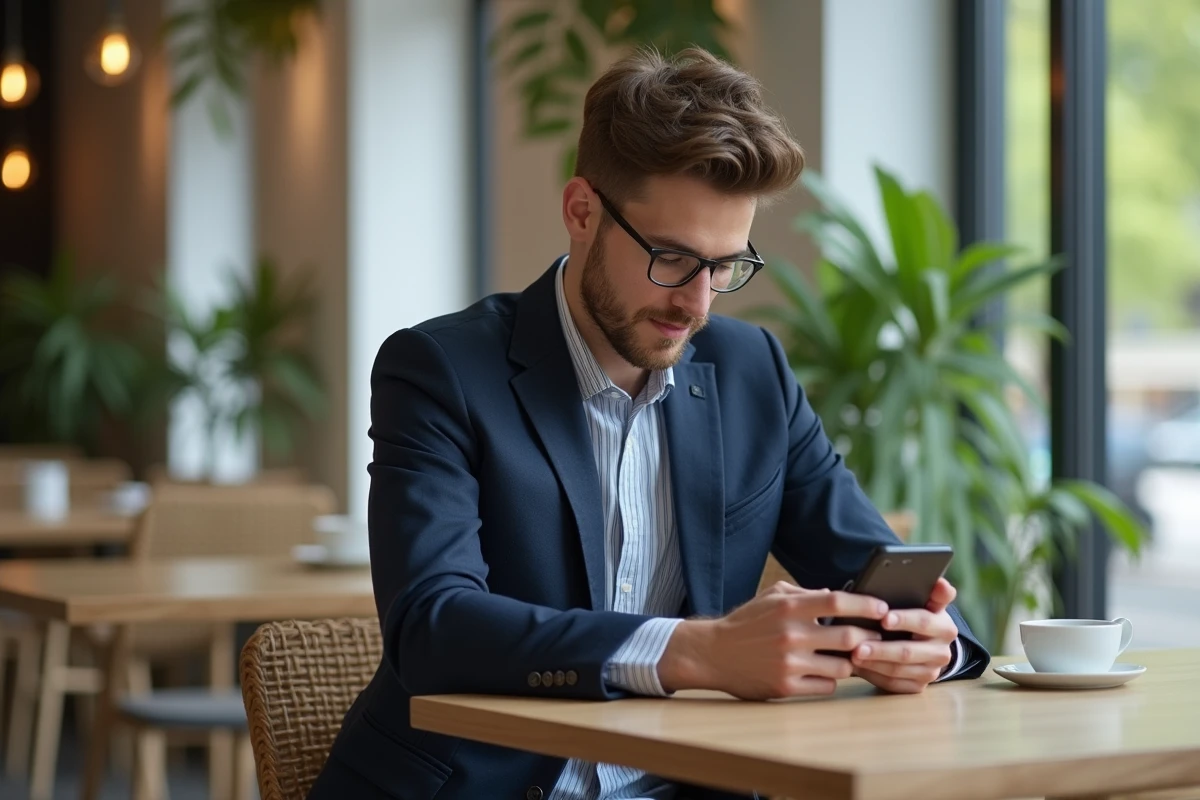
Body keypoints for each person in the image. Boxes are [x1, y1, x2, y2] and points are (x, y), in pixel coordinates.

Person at [309, 46, 988, 800]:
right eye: (671, 258)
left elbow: (883, 578)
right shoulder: (441, 370)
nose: (697, 303)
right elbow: (432, 628)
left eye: (727, 266)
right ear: (581, 212)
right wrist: (697, 653)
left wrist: (928, 646)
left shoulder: (751, 372)